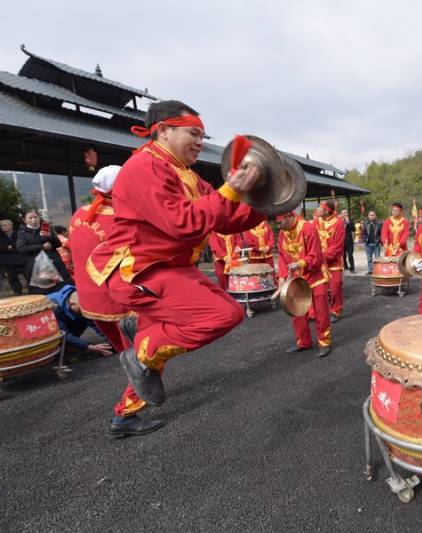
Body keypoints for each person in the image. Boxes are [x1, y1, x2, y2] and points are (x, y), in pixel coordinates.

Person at [86, 100, 264, 413]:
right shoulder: (144, 166)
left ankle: (126, 414)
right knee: (222, 314)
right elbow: (182, 223)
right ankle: (140, 349)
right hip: (139, 271)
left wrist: (266, 203)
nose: (199, 142)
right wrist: (231, 190)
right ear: (164, 130)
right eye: (193, 133)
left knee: (162, 347)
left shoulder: (189, 177)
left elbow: (227, 218)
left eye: (202, 136)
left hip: (170, 269)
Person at [69, 165, 162, 437]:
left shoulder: (78, 215)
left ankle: (146, 387)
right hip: (121, 302)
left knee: (127, 351)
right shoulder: (121, 220)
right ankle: (125, 414)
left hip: (92, 302)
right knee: (145, 353)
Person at [277, 210, 332, 357]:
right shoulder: (283, 232)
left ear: (289, 216)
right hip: (296, 278)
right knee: (297, 310)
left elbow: (316, 255)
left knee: (320, 311)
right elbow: (282, 256)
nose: (278, 226)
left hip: (315, 275)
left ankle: (324, 342)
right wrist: (282, 276)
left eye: (280, 222)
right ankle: (303, 342)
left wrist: (300, 263)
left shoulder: (307, 228)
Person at [46, 285, 113, 357]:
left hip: (66, 319)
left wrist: (113, 340)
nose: (82, 312)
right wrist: (90, 347)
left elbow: (94, 323)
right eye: (80, 310)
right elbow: (63, 334)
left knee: (85, 316)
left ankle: (73, 344)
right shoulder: (51, 308)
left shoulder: (77, 299)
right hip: (48, 331)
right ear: (72, 304)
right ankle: (64, 347)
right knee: (64, 336)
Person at [16, 211, 73, 294]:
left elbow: (58, 244)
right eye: (30, 218)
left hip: (54, 263)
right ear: (24, 220)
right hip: (37, 267)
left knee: (63, 289)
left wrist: (50, 236)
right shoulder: (22, 233)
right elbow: (21, 248)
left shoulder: (47, 228)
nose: (33, 220)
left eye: (35, 217)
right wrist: (41, 246)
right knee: (43, 293)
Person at [316, 200, 345, 322]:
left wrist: (322, 256)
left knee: (336, 287)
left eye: (320, 208)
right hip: (318, 261)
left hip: (334, 262)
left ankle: (336, 311)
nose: (317, 209)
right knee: (317, 290)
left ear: (327, 210)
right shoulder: (317, 221)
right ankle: (315, 312)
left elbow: (337, 246)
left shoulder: (338, 223)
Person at [0, 219, 26, 295]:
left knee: (27, 274)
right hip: (7, 260)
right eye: (1, 225)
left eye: (5, 225)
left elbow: (20, 245)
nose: (2, 227)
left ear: (11, 226)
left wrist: (9, 247)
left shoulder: (18, 234)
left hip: (20, 258)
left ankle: (32, 290)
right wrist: (10, 247)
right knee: (12, 277)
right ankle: (17, 291)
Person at [341, 208, 355, 272]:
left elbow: (353, 229)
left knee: (350, 255)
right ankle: (345, 266)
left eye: (346, 212)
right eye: (344, 213)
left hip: (349, 241)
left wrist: (348, 222)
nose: (345, 214)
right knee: (343, 255)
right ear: (341, 214)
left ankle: (352, 267)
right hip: (341, 241)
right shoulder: (339, 221)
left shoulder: (350, 221)